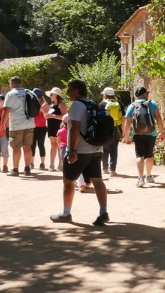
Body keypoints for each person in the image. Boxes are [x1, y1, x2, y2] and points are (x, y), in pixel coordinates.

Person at [50, 79, 109, 226]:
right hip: (96, 148)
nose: (67, 93)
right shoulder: (93, 104)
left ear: (77, 91)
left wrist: (72, 150)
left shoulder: (77, 105)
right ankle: (103, 212)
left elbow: (75, 128)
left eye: (69, 90)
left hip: (81, 150)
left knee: (68, 181)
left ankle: (66, 213)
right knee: (97, 180)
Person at [122, 86, 165, 187]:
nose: (148, 95)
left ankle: (140, 178)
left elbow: (127, 122)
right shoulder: (152, 103)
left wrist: (127, 136)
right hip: (151, 133)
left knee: (139, 155)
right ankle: (149, 176)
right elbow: (158, 118)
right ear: (144, 94)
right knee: (149, 155)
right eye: (147, 93)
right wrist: (161, 132)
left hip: (138, 134)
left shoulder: (132, 106)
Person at [1, 76, 34, 176]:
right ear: (20, 83)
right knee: (27, 146)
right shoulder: (29, 92)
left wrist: (3, 125)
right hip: (29, 123)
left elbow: (6, 111)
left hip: (16, 125)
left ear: (11, 84)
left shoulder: (10, 94)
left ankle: (15, 170)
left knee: (16, 147)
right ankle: (27, 168)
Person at [99, 87, 123, 177]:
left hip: (105, 129)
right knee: (114, 149)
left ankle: (104, 168)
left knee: (105, 149)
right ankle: (112, 170)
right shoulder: (119, 104)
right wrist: (123, 131)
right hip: (116, 129)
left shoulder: (102, 104)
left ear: (105, 94)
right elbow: (122, 118)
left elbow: (99, 117)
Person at [46, 87, 67, 171]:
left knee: (59, 145)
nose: (50, 96)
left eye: (51, 94)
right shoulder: (51, 106)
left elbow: (65, 116)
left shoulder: (61, 104)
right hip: (51, 127)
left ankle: (61, 164)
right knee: (53, 145)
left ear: (56, 95)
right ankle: (51, 164)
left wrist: (53, 116)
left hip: (58, 127)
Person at [30, 88, 48, 170]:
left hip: (42, 127)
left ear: (41, 97)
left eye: (38, 97)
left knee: (41, 145)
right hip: (32, 127)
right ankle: (31, 163)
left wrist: (43, 110)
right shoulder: (31, 104)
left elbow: (47, 116)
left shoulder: (45, 104)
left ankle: (42, 163)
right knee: (32, 145)